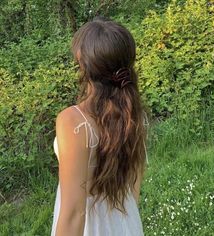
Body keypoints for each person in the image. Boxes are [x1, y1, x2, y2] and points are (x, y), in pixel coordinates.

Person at [51, 17, 149, 236]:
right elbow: (134, 188)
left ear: (83, 64)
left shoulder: (73, 121)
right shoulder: (133, 114)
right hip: (125, 221)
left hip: (90, 229)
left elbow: (74, 213)